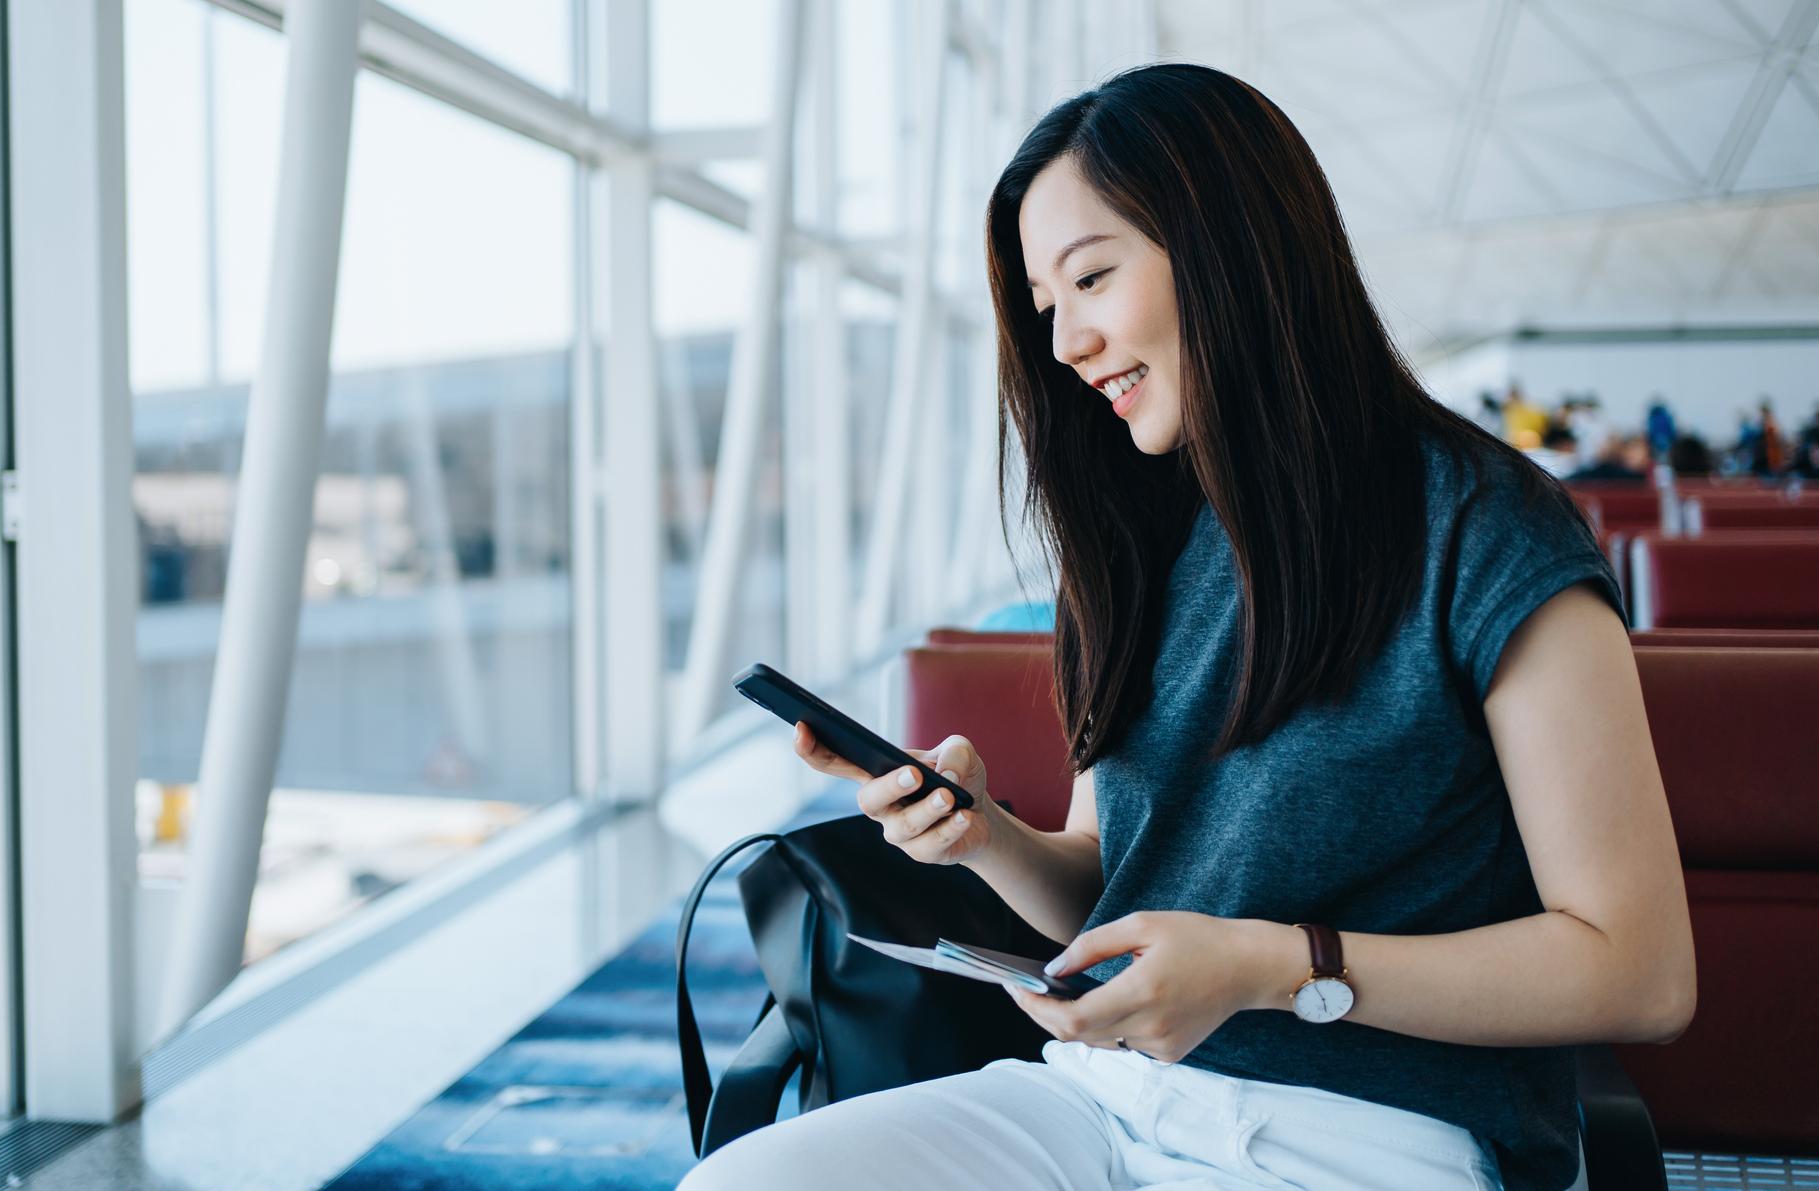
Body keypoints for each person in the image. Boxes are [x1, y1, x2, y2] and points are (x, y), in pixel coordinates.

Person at [680, 64, 1693, 1191]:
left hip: (1368, 1138)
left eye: (1092, 279)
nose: (1063, 343)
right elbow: (1112, 887)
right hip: (1100, 1098)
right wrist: (982, 840)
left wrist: (1272, 969)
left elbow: (1640, 972)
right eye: (1044, 305)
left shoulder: (1488, 531)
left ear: (1232, 246)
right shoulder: (1136, 548)